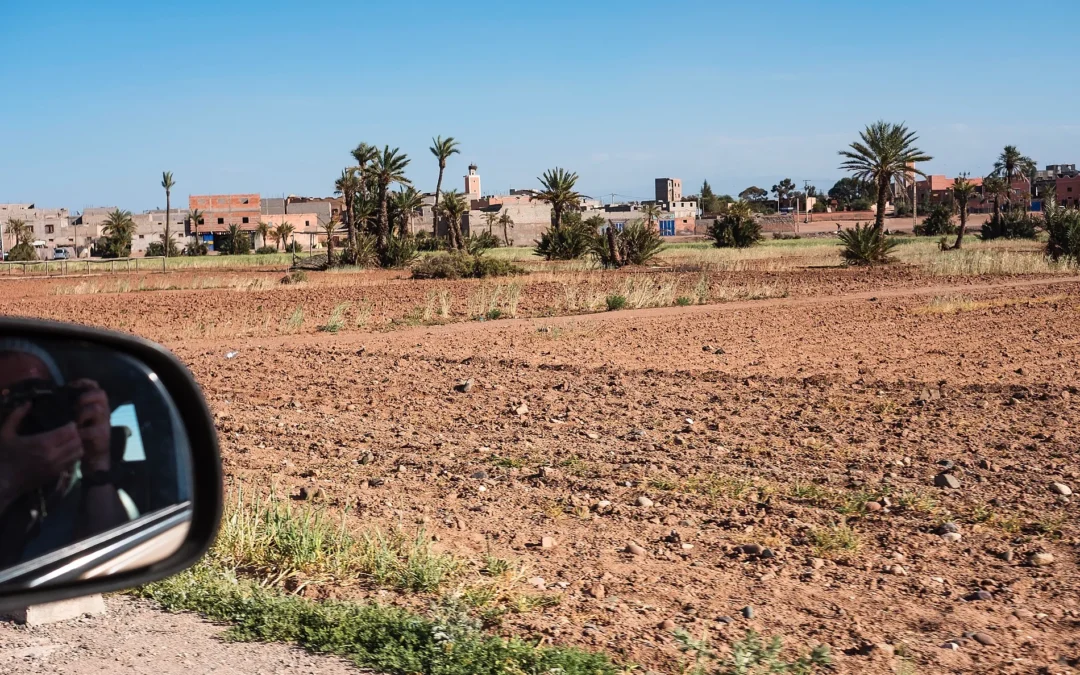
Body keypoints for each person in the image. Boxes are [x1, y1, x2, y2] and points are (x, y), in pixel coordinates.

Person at [0, 340, 130, 567]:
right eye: (7, 401)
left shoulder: (84, 491)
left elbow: (113, 560)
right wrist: (8, 480)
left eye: (38, 397)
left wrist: (97, 462)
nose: (25, 411)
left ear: (65, 404)